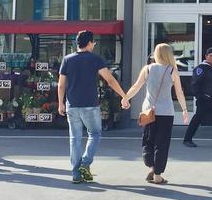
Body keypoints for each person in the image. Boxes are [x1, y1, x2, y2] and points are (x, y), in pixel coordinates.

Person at [58, 30, 129, 184]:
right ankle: (85, 163)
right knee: (95, 134)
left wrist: (60, 103)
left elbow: (61, 84)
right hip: (90, 104)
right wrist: (124, 96)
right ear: (89, 43)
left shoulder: (67, 60)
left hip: (72, 105)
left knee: (74, 139)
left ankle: (76, 174)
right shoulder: (96, 59)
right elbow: (110, 80)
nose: (94, 45)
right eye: (94, 43)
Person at [122, 43, 189, 185]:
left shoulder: (147, 69)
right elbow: (179, 92)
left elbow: (136, 86)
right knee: (162, 143)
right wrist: (184, 109)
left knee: (148, 140)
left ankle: (151, 166)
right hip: (166, 112)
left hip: (148, 111)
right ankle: (158, 175)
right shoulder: (172, 70)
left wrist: (126, 98)